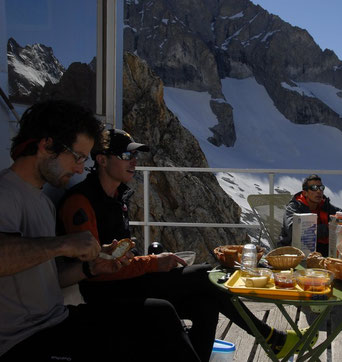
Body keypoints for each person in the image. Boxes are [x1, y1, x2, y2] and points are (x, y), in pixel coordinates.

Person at [57, 128, 317, 361]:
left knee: (206, 301)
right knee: (206, 275)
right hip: (108, 293)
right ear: (101, 160)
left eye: (135, 156)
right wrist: (152, 263)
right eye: (126, 156)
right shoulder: (81, 203)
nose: (134, 162)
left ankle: (267, 341)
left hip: (128, 282)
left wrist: (152, 261)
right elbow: (96, 269)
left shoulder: (116, 196)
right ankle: (272, 338)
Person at [0, 100, 200, 361]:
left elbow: (48, 279)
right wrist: (63, 244)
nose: (81, 168)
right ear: (47, 145)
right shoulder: (6, 193)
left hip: (58, 320)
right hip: (24, 340)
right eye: (78, 157)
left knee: (159, 314)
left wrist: (92, 267)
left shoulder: (41, 201)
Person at [279, 174, 342, 257]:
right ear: (305, 193)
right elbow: (295, 231)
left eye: (321, 188)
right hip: (296, 254)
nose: (318, 191)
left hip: (323, 252)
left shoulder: (325, 206)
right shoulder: (294, 208)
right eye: (314, 188)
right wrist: (330, 228)